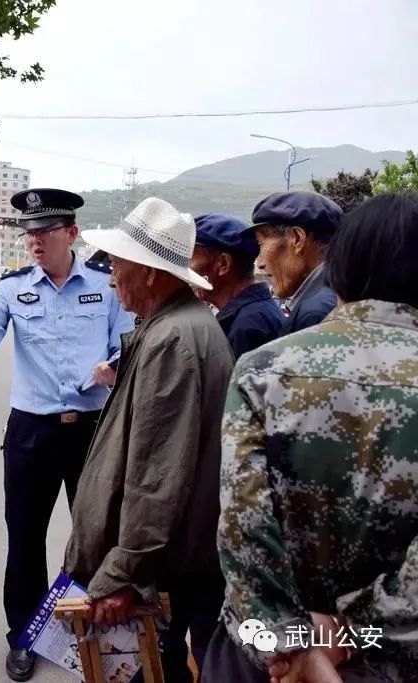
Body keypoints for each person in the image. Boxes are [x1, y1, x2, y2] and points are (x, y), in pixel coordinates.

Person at [203, 192, 418, 683]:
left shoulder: (265, 370)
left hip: (265, 659)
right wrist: (346, 634)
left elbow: (243, 533)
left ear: (343, 266)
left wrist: (293, 647)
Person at [0, 188, 134, 681]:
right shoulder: (11, 288)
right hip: (31, 432)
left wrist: (113, 367)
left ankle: (90, 633)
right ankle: (23, 637)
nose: (34, 241)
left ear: (72, 233)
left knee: (95, 539)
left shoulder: (106, 287)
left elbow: (127, 341)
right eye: (29, 233)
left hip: (91, 430)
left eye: (45, 231)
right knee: (25, 537)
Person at [62, 197, 234, 683]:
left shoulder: (172, 339)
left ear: (153, 273)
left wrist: (123, 574)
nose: (110, 273)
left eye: (118, 263)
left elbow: (156, 477)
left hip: (158, 570)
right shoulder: (172, 328)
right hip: (166, 563)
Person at [247, 191, 343, 334]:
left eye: (261, 244)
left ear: (297, 239)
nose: (260, 263)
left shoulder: (315, 313)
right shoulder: (338, 292)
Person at [190, 214, 283, 358]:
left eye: (191, 258)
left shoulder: (247, 327)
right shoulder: (255, 313)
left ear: (223, 264)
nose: (187, 269)